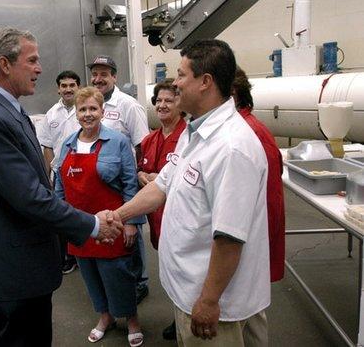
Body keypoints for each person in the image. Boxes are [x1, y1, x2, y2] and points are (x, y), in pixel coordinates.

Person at [0, 27, 122, 347]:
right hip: (12, 270)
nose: (40, 68)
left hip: (23, 264)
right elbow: (31, 197)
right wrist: (92, 224)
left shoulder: (7, 109)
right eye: (32, 60)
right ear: (5, 64)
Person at [111, 39, 270, 346]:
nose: (176, 83)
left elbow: (230, 237)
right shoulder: (195, 133)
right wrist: (117, 215)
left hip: (217, 306)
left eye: (182, 75)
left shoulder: (232, 147)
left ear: (205, 82)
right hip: (189, 290)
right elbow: (162, 185)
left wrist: (209, 301)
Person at [55, 87, 146, 347]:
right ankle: (105, 317)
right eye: (82, 109)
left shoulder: (117, 142)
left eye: (93, 109)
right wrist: (63, 221)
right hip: (80, 225)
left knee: (118, 275)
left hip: (112, 225)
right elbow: (60, 186)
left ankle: (131, 319)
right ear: (76, 114)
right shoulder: (68, 143)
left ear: (102, 112)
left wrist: (131, 223)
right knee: (90, 275)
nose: (88, 114)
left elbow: (130, 184)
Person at [88, 55, 150, 303]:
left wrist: (135, 182)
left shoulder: (128, 105)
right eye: (95, 73)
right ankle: (112, 281)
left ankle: (140, 282)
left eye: (104, 74)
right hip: (99, 183)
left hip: (123, 183)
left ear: (115, 76)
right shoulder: (92, 103)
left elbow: (142, 144)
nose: (98, 78)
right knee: (108, 233)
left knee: (130, 234)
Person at [137, 81, 186, 341]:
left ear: (181, 104)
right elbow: (139, 169)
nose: (162, 105)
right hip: (157, 221)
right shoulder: (150, 139)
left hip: (181, 220)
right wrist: (143, 175)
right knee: (169, 272)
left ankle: (185, 321)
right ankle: (179, 317)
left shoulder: (188, 138)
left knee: (184, 273)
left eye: (169, 100)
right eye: (159, 101)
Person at [232, 67, 285, 283]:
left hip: (245, 254)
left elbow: (270, 201)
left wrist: (259, 259)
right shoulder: (234, 130)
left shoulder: (250, 135)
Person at [38, 70, 81, 274]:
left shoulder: (85, 109)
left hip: (83, 172)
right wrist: (49, 176)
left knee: (83, 212)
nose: (68, 89)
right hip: (60, 176)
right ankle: (69, 256)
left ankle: (86, 255)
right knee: (62, 217)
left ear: (78, 87)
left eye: (72, 85)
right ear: (58, 89)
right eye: (64, 86)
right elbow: (47, 146)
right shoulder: (51, 114)